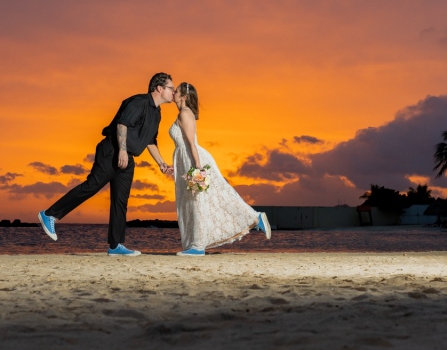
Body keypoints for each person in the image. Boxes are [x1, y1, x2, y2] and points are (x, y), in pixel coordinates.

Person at [37, 73, 175, 256]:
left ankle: (115, 245)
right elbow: (122, 124)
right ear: (159, 88)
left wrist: (162, 164)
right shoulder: (138, 102)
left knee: (120, 201)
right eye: (171, 88)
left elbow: (150, 141)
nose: (173, 92)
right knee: (92, 185)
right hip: (113, 150)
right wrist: (123, 150)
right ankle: (49, 214)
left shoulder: (157, 113)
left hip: (128, 157)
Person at [170, 82, 271, 256]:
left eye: (176, 91)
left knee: (199, 201)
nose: (173, 93)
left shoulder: (185, 114)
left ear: (184, 97)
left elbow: (191, 143)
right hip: (185, 159)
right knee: (204, 199)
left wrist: (198, 167)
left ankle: (198, 246)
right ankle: (255, 218)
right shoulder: (184, 113)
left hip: (191, 159)